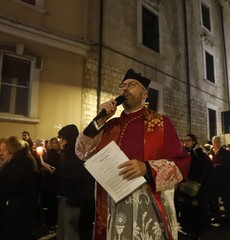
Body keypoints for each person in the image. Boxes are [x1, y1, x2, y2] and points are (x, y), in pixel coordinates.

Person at [75, 68, 191, 240]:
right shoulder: (109, 126)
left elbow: (181, 163)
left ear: (145, 94)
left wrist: (147, 168)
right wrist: (99, 120)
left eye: (131, 85)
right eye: (123, 86)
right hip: (111, 205)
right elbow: (81, 151)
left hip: (147, 207)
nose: (125, 89)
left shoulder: (160, 123)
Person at [41, 124, 95, 240]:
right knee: (66, 228)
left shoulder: (73, 152)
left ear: (68, 138)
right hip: (72, 196)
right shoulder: (74, 150)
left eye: (62, 138)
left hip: (74, 196)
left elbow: (73, 174)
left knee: (70, 230)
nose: (60, 142)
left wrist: (53, 171)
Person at [0, 136, 39, 240]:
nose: (1, 153)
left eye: (4, 150)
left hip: (21, 204)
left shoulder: (24, 161)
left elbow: (16, 184)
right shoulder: (21, 159)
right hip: (18, 203)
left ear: (12, 148)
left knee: (18, 232)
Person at [176, 133, 213, 240]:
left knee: (195, 209)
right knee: (187, 207)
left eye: (188, 140)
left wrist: (198, 151)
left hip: (196, 186)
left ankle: (196, 231)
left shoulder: (198, 152)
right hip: (186, 184)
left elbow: (207, 165)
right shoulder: (186, 152)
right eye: (184, 140)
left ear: (194, 141)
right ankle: (190, 229)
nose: (185, 142)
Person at [208, 136, 230, 225]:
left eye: (218, 141)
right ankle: (216, 216)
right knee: (214, 200)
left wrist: (218, 166)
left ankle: (228, 217)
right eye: (215, 141)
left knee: (226, 198)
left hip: (224, 180)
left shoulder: (226, 153)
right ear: (212, 142)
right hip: (213, 180)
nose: (217, 143)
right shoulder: (209, 152)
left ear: (220, 142)